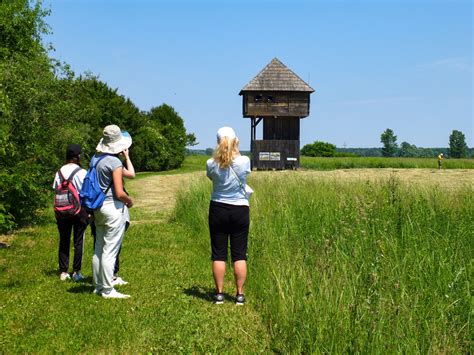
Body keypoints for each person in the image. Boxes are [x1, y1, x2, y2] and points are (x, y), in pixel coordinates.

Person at [206, 127, 251, 305]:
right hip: (240, 209)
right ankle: (239, 294)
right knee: (239, 254)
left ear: (218, 142)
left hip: (218, 208)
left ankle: (219, 294)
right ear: (235, 141)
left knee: (219, 253)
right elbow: (242, 168)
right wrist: (235, 148)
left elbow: (211, 178)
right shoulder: (244, 161)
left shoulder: (211, 163)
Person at [92, 125, 134, 299]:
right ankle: (108, 289)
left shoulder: (95, 159)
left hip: (98, 207)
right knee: (110, 250)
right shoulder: (115, 162)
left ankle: (98, 285)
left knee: (99, 248)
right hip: (112, 208)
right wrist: (129, 201)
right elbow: (119, 192)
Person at [52, 144, 88, 282]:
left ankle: (63, 271)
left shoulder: (59, 172)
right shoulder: (81, 172)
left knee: (64, 240)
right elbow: (85, 192)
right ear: (77, 156)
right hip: (78, 210)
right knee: (78, 241)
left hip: (62, 210)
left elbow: (56, 188)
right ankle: (76, 272)